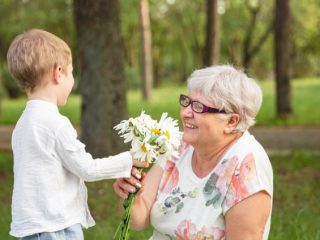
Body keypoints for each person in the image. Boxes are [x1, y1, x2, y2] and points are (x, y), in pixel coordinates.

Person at [6, 29, 146, 240]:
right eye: (72, 72)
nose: (72, 79)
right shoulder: (55, 124)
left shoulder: (24, 123)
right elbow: (87, 169)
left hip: (33, 227)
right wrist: (128, 160)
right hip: (56, 227)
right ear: (58, 72)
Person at [113, 65, 273, 239]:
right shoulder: (178, 146)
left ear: (231, 122)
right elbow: (137, 219)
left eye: (198, 107)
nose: (185, 113)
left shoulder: (247, 170)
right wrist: (130, 193)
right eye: (187, 102)